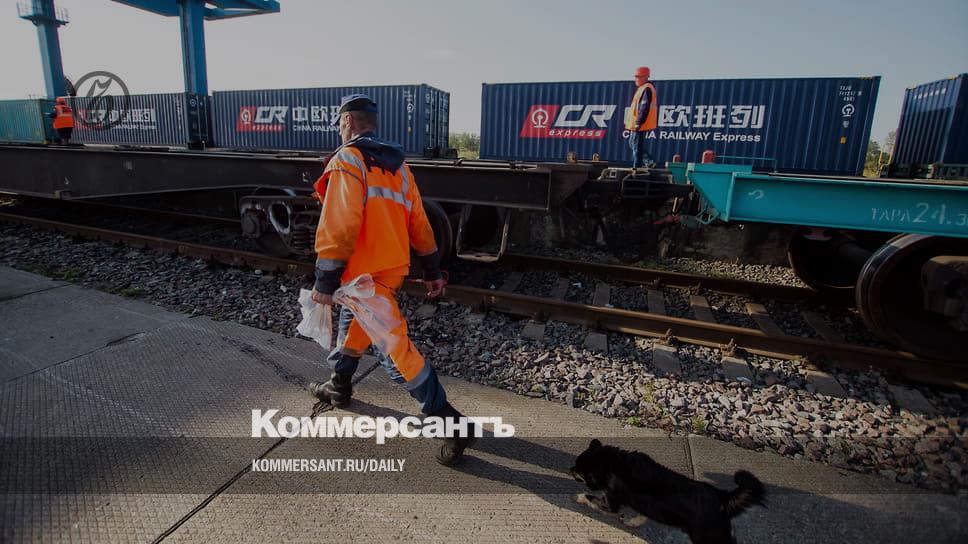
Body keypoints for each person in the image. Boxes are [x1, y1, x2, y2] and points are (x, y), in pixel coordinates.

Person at [307, 94, 475, 466]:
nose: (339, 131)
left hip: (363, 276)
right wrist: (432, 270)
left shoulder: (348, 161)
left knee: (396, 356)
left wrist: (325, 280)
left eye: (339, 125)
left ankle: (452, 424)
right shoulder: (399, 168)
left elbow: (340, 225)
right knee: (353, 327)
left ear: (347, 122)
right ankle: (339, 385)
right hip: (387, 274)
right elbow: (419, 223)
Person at [625, 66, 658, 169]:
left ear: (644, 77)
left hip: (640, 123)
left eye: (637, 77)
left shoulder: (647, 88)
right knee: (632, 143)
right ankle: (648, 161)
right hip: (637, 123)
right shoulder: (642, 88)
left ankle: (638, 167)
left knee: (636, 147)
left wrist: (639, 122)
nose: (636, 79)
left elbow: (644, 107)